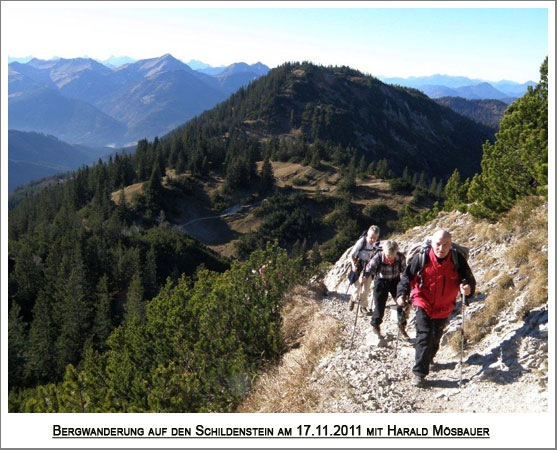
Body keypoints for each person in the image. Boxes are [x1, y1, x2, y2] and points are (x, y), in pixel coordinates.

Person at [396, 229, 476, 387]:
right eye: (438, 244)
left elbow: (468, 279)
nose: (441, 248)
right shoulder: (422, 258)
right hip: (423, 301)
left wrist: (468, 288)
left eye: (445, 244)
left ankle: (429, 357)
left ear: (450, 244)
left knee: (435, 337)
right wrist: (402, 293)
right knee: (424, 336)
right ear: (432, 244)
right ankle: (419, 373)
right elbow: (407, 277)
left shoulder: (457, 259)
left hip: (445, 305)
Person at [361, 240, 407, 338]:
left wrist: (406, 284)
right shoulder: (378, 257)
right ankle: (375, 325)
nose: (390, 258)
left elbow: (405, 271)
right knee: (379, 306)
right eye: (388, 255)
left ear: (396, 252)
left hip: (395, 281)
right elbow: (369, 268)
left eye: (392, 256)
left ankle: (401, 325)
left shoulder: (400, 257)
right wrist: (364, 276)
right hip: (381, 282)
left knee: (402, 303)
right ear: (384, 251)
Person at [348, 225, 381, 314]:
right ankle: (353, 299)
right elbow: (351, 255)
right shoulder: (362, 242)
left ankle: (363, 307)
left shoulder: (376, 244)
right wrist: (353, 265)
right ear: (367, 235)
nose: (372, 240)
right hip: (359, 265)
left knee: (366, 288)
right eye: (371, 237)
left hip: (369, 266)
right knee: (357, 287)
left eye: (375, 238)